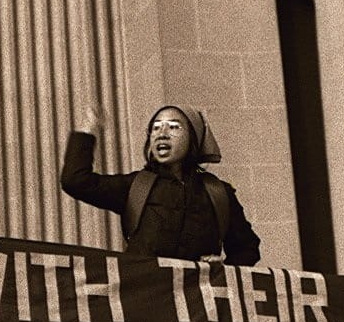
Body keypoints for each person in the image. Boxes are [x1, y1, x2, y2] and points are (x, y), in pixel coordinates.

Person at [61, 104, 261, 265]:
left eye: (174, 127)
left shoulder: (218, 192)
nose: (162, 133)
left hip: (199, 309)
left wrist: (224, 269)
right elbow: (75, 181)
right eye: (156, 128)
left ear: (193, 138)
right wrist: (87, 130)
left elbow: (247, 248)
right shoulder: (136, 186)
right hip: (146, 305)